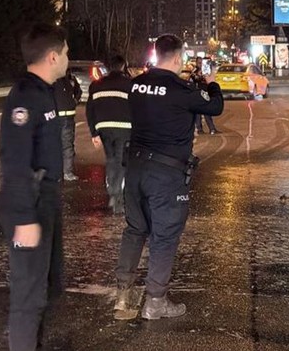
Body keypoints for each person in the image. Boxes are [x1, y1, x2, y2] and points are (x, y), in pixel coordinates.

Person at [115, 34, 224, 320]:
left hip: (135, 168)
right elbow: (215, 106)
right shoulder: (180, 89)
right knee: (164, 236)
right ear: (177, 57)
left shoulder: (136, 84)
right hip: (166, 174)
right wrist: (211, 82)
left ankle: (123, 296)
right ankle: (155, 301)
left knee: (135, 230)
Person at [0, 23, 69, 350]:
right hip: (30, 202)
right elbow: (14, 159)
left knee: (49, 285)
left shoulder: (43, 91)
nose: (69, 59)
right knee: (29, 294)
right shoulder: (26, 95)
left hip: (46, 199)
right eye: (66, 53)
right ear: (53, 57)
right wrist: (25, 218)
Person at [86, 55, 132, 213]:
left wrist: (94, 133)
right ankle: (117, 194)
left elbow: (89, 110)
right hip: (125, 128)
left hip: (104, 128)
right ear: (122, 66)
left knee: (111, 160)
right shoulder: (129, 84)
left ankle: (112, 191)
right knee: (121, 161)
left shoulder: (96, 85)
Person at [54, 69, 82, 181]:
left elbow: (78, 91)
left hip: (66, 117)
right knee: (65, 145)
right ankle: (65, 172)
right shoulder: (54, 79)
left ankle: (63, 172)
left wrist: (74, 101)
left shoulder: (70, 79)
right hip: (57, 117)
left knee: (65, 145)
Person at [188, 66, 218, 135]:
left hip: (205, 93)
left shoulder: (206, 72)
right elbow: (193, 79)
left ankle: (211, 129)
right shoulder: (195, 72)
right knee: (199, 112)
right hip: (199, 93)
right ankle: (200, 129)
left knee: (206, 112)